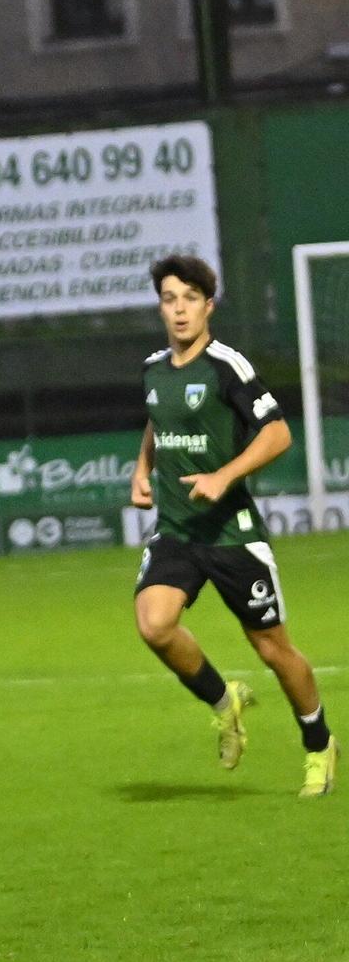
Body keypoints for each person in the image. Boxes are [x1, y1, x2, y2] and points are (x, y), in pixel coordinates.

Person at [130, 253, 335, 798]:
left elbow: (277, 434)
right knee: (154, 624)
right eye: (170, 299)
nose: (179, 310)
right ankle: (226, 703)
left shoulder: (228, 366)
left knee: (273, 650)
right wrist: (141, 469)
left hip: (231, 533)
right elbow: (158, 419)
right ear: (161, 306)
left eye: (190, 299)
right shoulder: (153, 368)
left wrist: (224, 475)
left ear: (207, 307)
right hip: (177, 530)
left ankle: (318, 744)